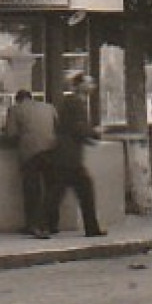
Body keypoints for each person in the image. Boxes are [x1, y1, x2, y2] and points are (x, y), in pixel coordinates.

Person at [50, 72, 105, 237]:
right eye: (89, 83)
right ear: (80, 85)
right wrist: (94, 132)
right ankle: (91, 228)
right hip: (70, 156)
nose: (93, 86)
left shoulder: (71, 102)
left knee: (57, 192)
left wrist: (89, 137)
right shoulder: (76, 103)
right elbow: (78, 128)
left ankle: (46, 224)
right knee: (84, 191)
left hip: (65, 155)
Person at [3, 90, 59, 239]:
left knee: (32, 190)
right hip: (51, 151)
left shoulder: (15, 109)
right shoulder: (49, 107)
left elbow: (11, 133)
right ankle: (52, 224)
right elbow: (57, 127)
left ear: (18, 99)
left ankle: (34, 225)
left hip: (30, 153)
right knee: (51, 188)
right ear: (31, 97)